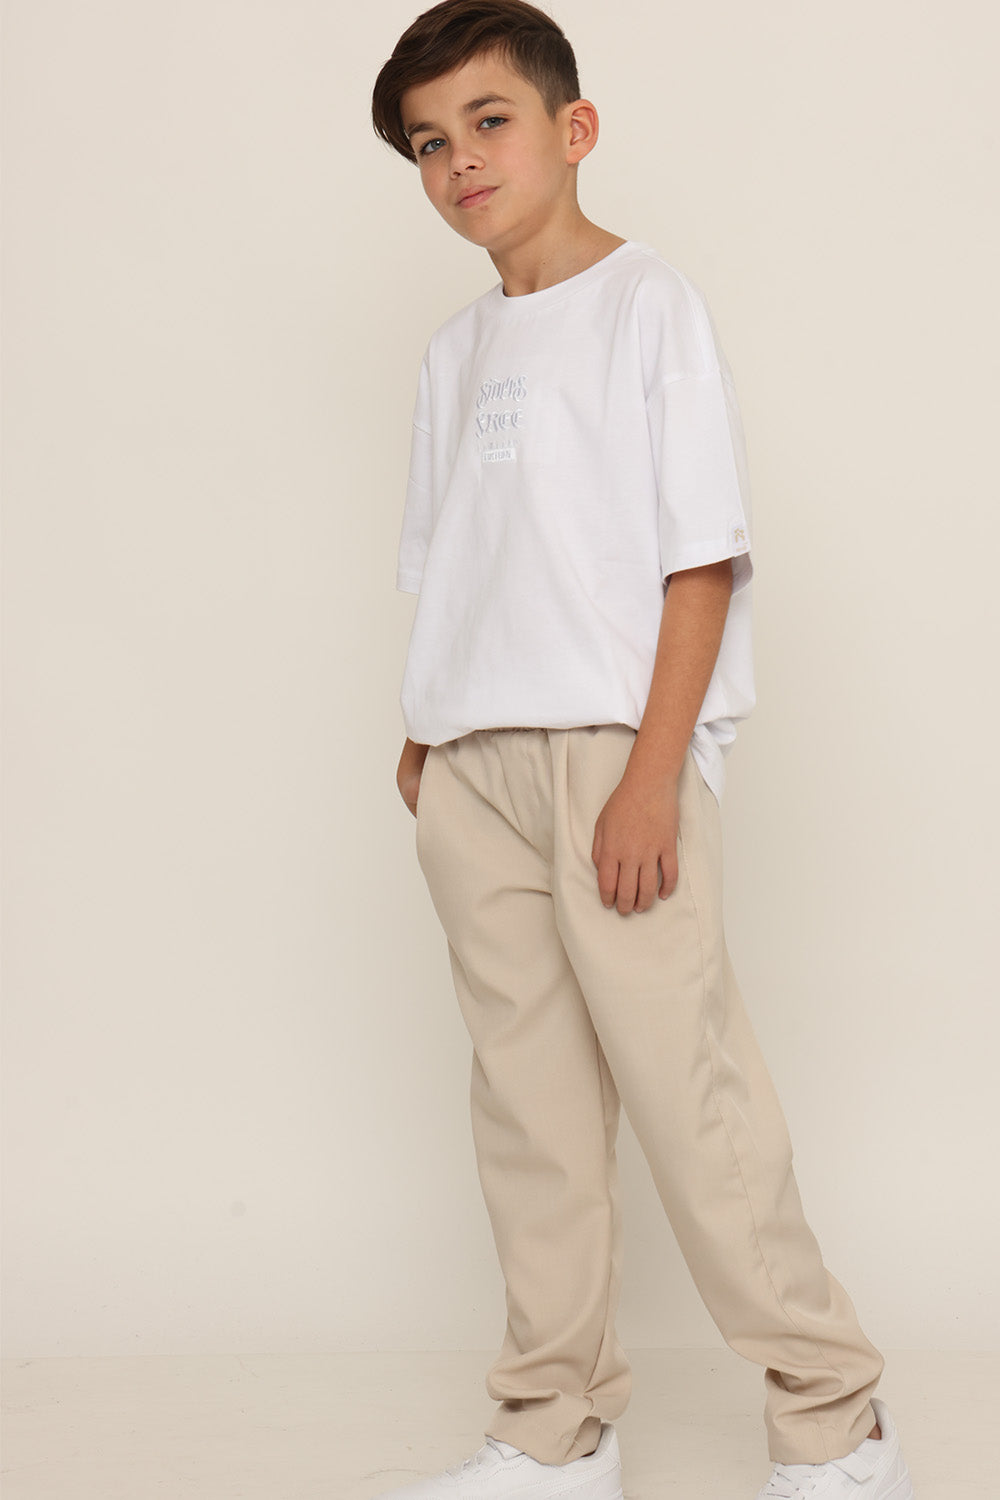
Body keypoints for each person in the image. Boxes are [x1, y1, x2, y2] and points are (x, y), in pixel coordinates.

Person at [369, 4, 915, 1497]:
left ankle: (836, 1417)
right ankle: (555, 1431)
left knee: (691, 1096)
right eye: (429, 142)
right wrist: (425, 738)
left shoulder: (646, 307)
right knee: (528, 1114)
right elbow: (461, 560)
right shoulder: (452, 353)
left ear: (574, 128)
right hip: (471, 764)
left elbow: (699, 557)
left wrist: (653, 775)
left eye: (489, 121)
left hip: (616, 757)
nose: (461, 160)